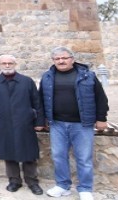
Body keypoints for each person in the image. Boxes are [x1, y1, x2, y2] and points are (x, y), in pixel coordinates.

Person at [39, 47, 109, 200]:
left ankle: (85, 188)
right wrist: (41, 120)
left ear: (72, 59)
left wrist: (101, 118)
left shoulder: (88, 76)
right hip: (57, 124)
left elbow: (101, 98)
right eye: (57, 59)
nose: (61, 61)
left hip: (82, 124)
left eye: (64, 58)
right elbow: (40, 100)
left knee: (84, 157)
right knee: (58, 156)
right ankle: (63, 185)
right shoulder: (47, 77)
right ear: (53, 61)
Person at [0, 55, 45, 195]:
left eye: (10, 63)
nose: (7, 65)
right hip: (3, 123)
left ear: (15, 64)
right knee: (8, 153)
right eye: (4, 63)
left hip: (25, 123)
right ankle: (14, 181)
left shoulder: (27, 81)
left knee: (29, 153)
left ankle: (32, 181)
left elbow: (37, 103)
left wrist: (40, 122)